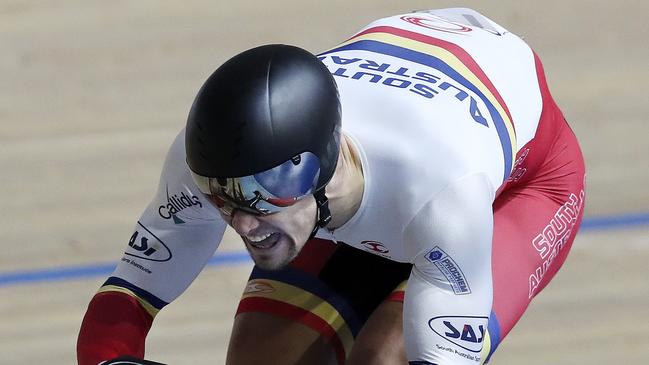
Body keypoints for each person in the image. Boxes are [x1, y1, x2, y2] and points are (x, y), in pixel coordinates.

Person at [77, 8, 586, 365]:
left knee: (383, 358)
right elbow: (129, 292)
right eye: (222, 198)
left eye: (261, 195)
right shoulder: (216, 161)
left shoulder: (443, 191)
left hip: (521, 188)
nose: (245, 224)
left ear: (320, 163)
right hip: (379, 166)